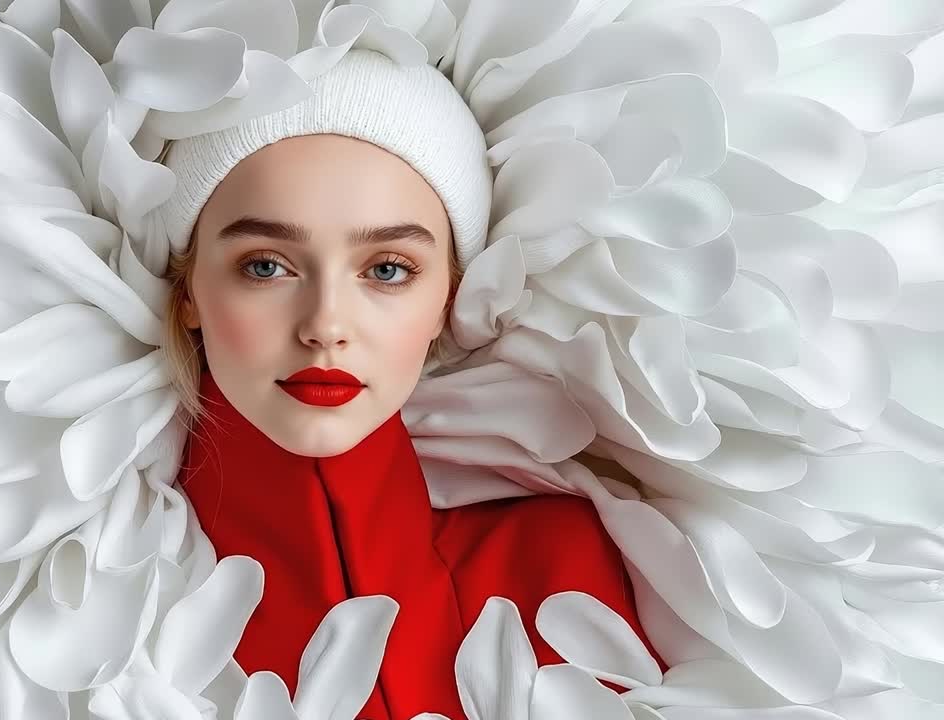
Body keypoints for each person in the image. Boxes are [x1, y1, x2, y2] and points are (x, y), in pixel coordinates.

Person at [154, 50, 663, 720]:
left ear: (447, 301)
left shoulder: (559, 568)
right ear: (190, 291)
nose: (325, 326)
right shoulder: (108, 608)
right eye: (267, 266)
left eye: (388, 270)